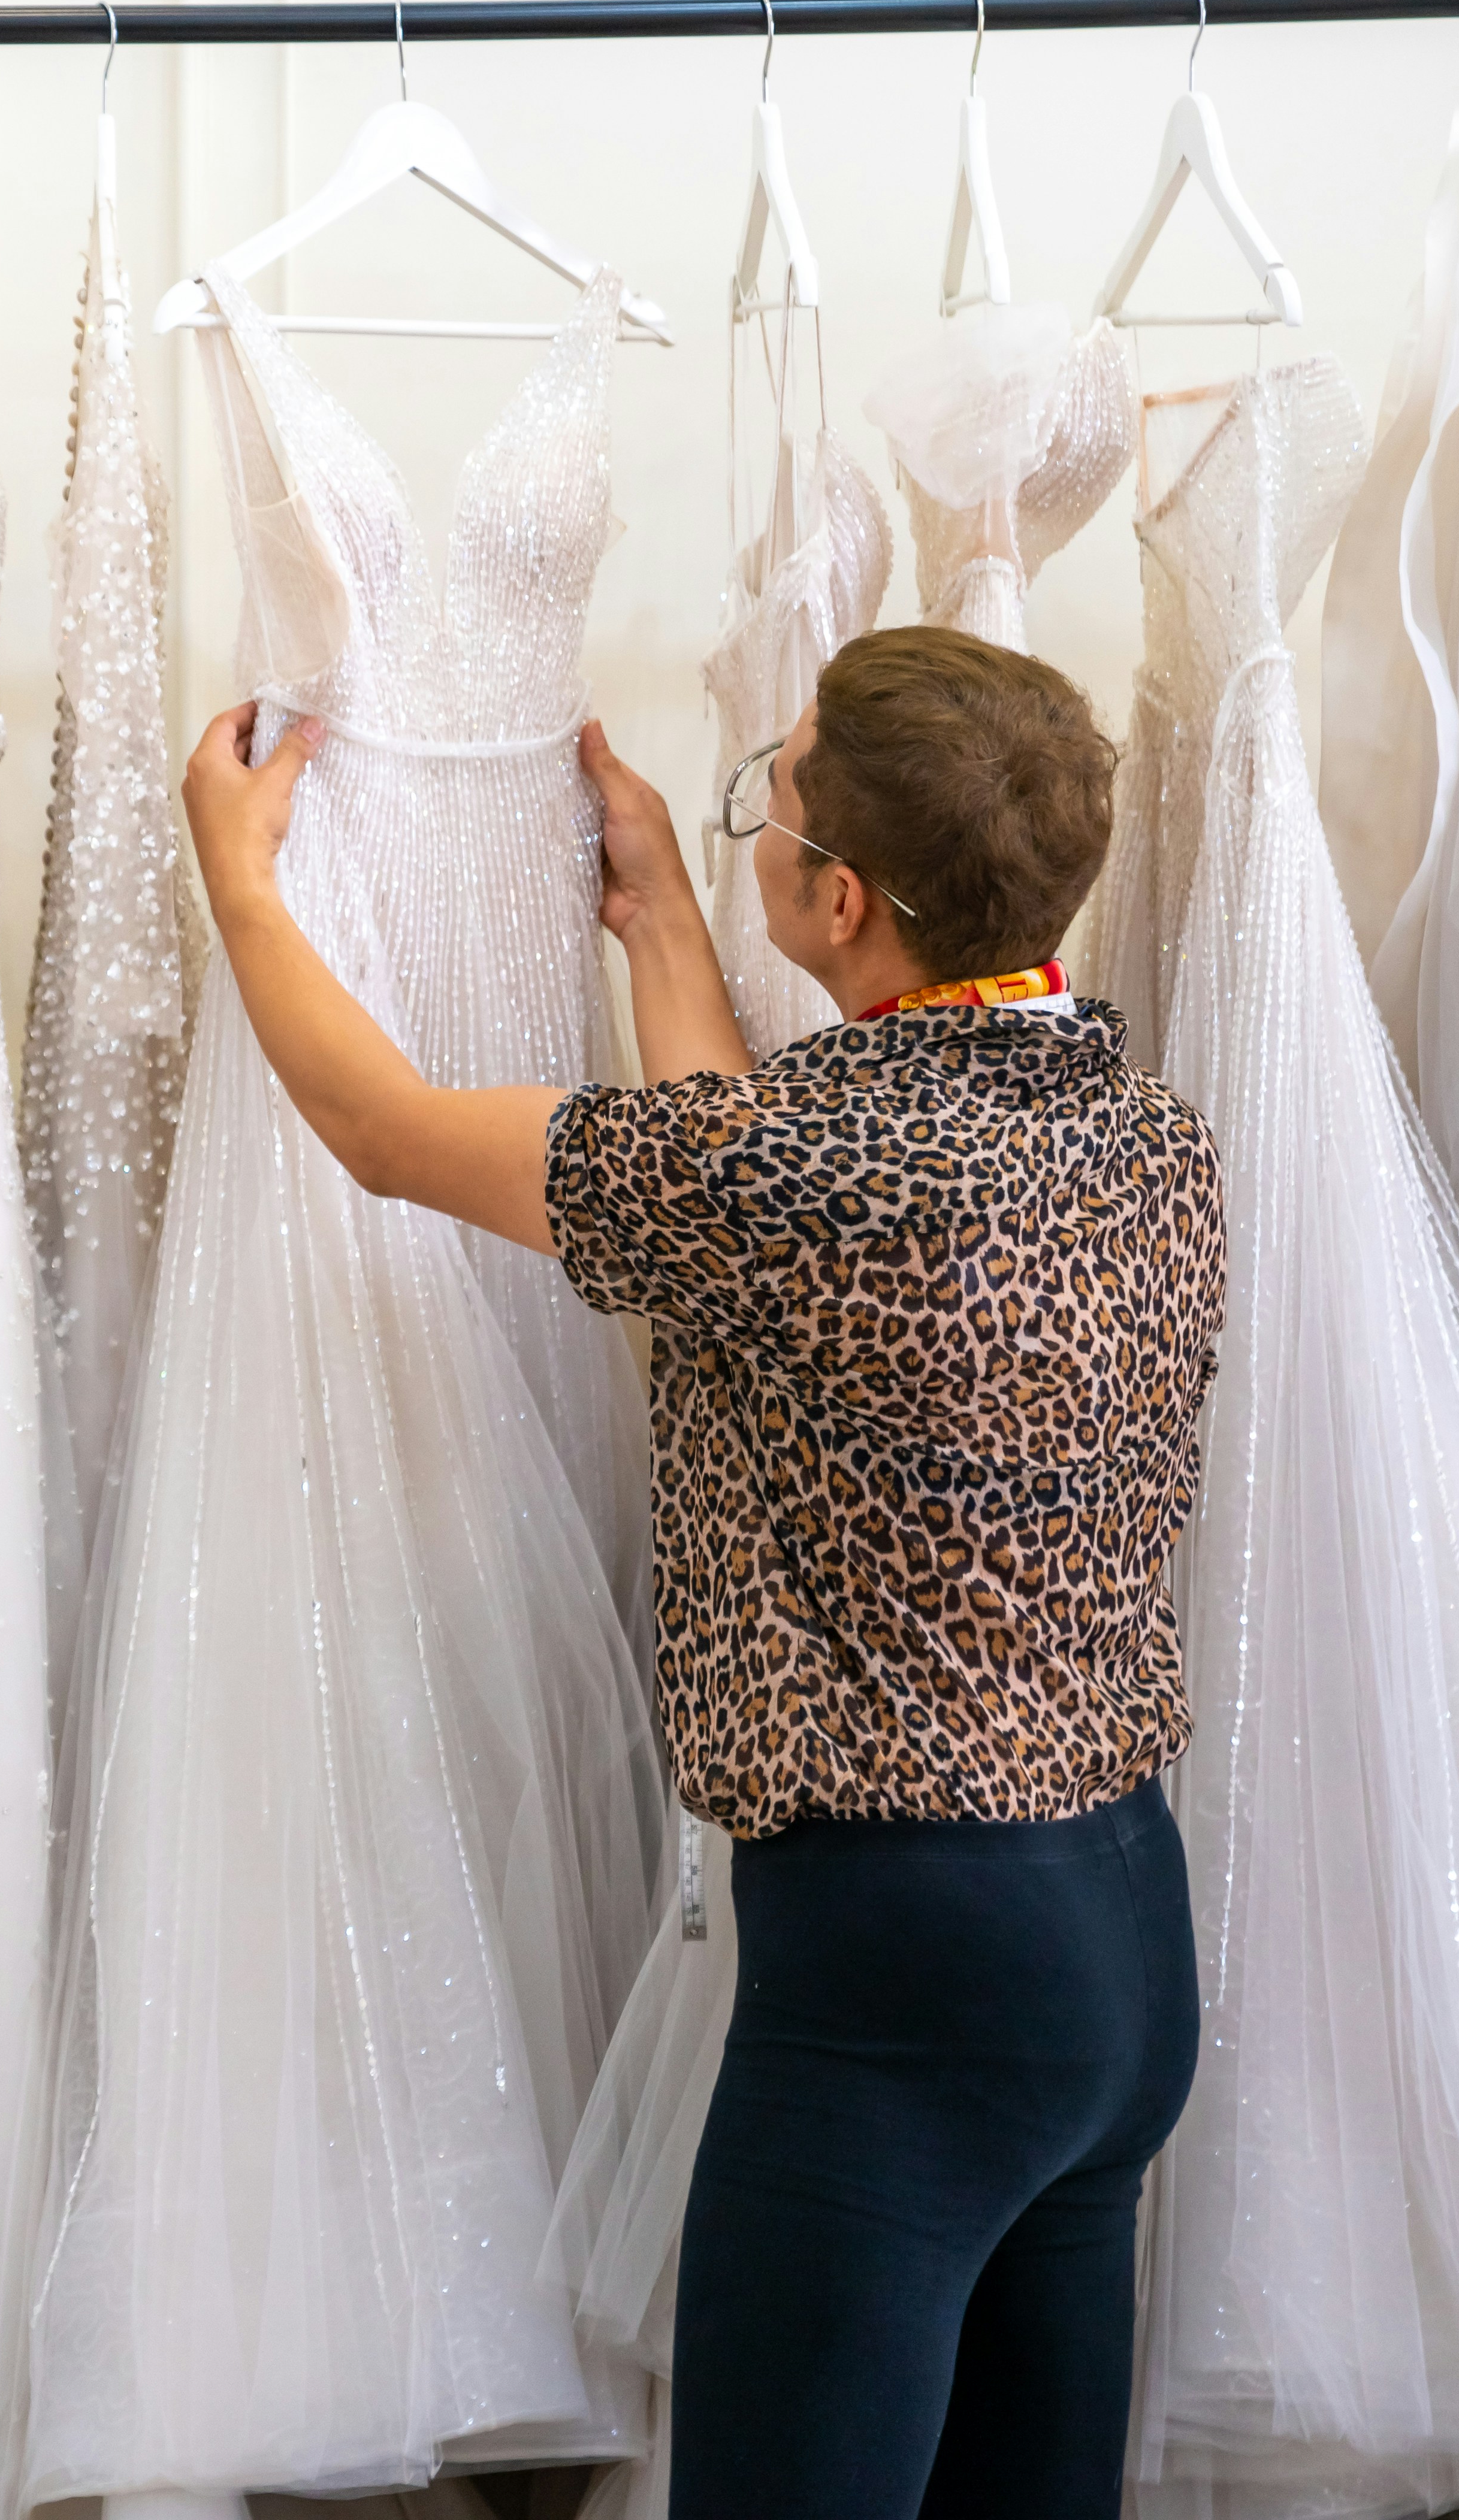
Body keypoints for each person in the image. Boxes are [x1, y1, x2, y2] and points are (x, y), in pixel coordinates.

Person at [174, 622, 1224, 2520]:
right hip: (1125, 1943)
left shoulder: (793, 1175)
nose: (753, 820)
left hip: (901, 1983)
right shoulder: (1148, 1138)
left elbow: (383, 1133)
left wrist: (242, 883)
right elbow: (754, 1200)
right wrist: (663, 915)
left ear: (841, 898)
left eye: (773, 796)